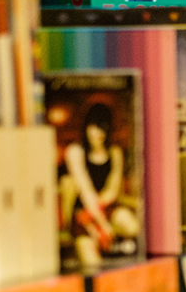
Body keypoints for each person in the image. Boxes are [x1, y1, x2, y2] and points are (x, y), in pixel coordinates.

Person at [59, 103, 139, 268]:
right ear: (86, 127)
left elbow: (112, 190)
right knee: (91, 261)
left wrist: (104, 220)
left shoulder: (114, 152)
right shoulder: (75, 151)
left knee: (131, 226)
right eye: (94, 127)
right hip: (83, 213)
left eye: (103, 128)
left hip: (106, 206)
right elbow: (85, 190)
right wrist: (102, 225)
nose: (99, 133)